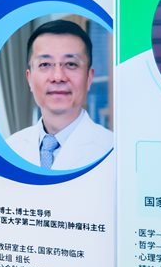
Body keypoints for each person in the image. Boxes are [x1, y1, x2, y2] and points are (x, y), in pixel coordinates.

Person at [7, 19, 112, 169]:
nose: (58, 77)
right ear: (29, 79)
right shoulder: (10, 148)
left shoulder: (113, 150)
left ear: (89, 78)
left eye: (71, 64)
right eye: (45, 64)